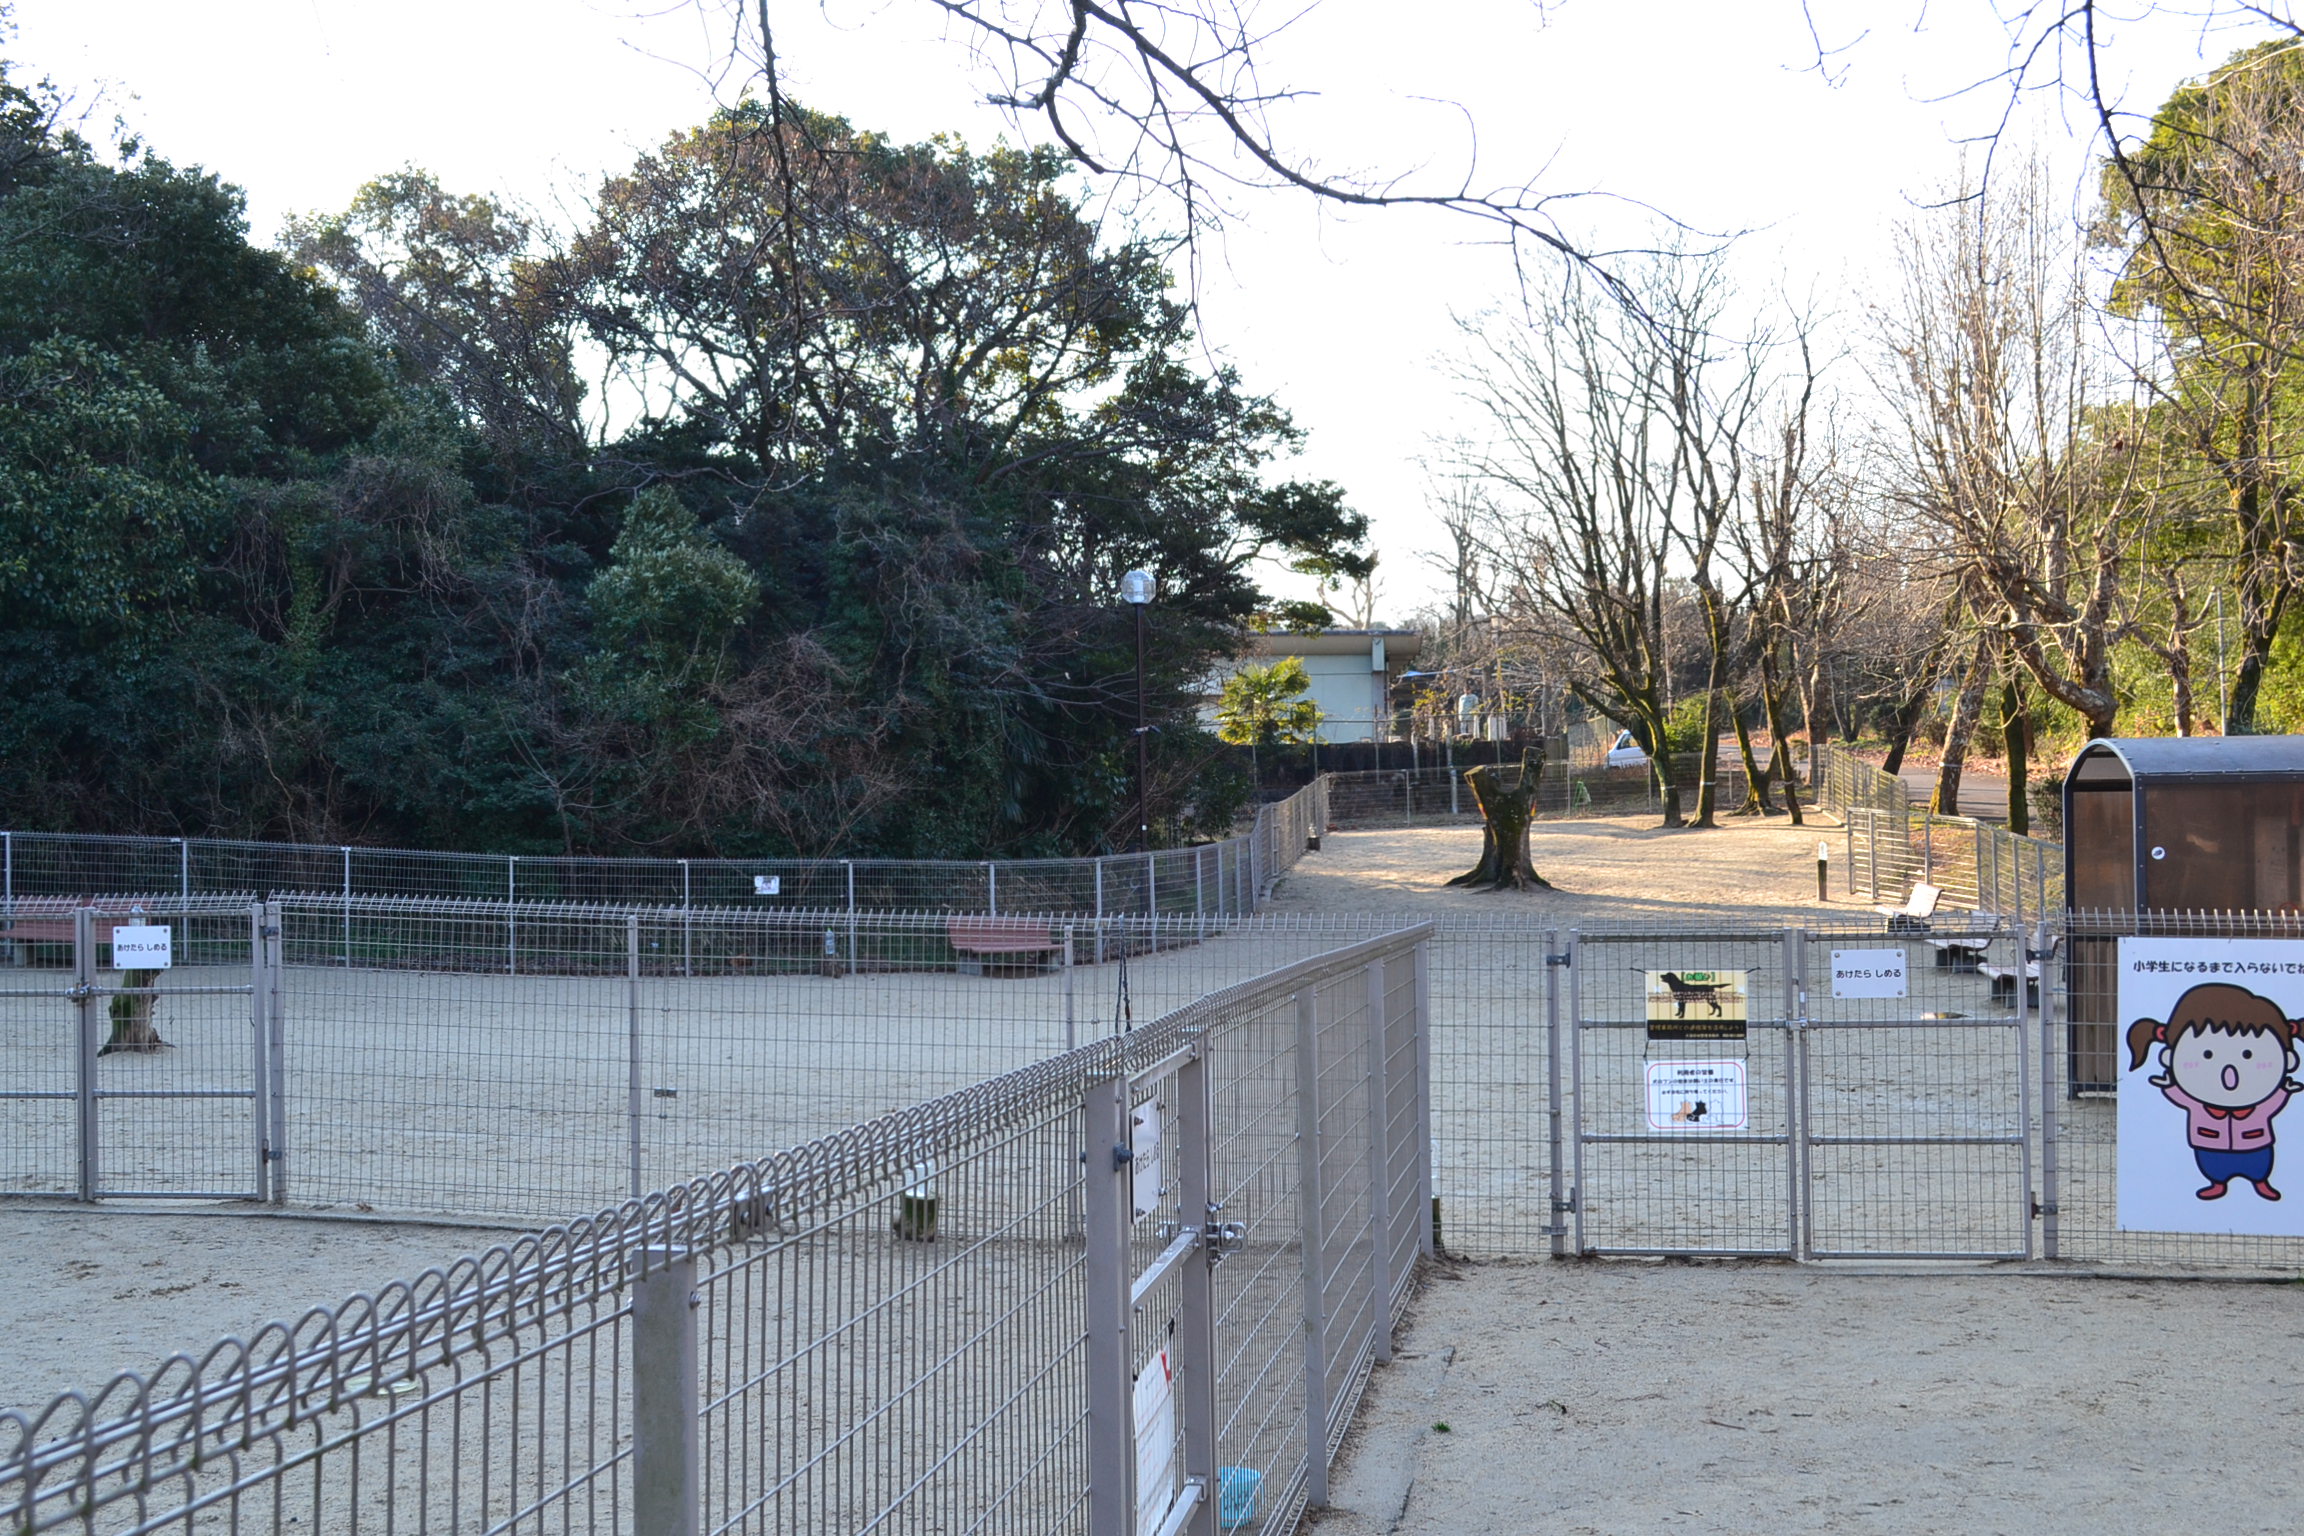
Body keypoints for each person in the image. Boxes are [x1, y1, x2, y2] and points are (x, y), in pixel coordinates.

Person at [2126, 983, 2304, 1201]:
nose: (2230, 1073)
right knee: (2212, 1163)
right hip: (2209, 1140)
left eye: (2248, 1054)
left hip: (2254, 1141)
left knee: (2259, 1163)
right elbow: (2182, 1098)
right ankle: (2217, 1183)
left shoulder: (2259, 1106)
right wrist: (2169, 1085)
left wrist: (2284, 1089)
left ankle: (2261, 1181)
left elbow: (2272, 1104)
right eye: (2207, 1054)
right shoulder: (2198, 1103)